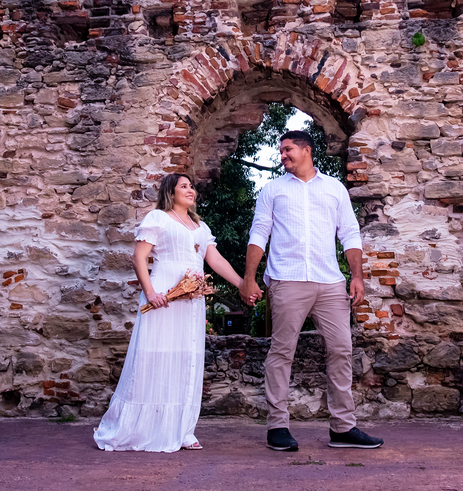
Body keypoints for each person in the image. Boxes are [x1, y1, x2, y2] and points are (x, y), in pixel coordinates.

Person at [239, 130, 384, 451]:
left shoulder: (334, 189)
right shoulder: (273, 190)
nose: (282, 156)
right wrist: (249, 277)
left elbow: (350, 233)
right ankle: (277, 426)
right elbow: (259, 232)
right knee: (282, 352)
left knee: (342, 350)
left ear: (306, 150)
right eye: (280, 151)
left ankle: (343, 428)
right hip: (286, 280)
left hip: (330, 282)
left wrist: (356, 276)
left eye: (287, 149)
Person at [94, 173, 245, 452]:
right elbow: (139, 257)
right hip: (164, 294)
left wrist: (241, 283)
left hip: (191, 300)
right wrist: (151, 292)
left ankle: (183, 429)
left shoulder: (200, 225)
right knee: (154, 357)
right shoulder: (158, 218)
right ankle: (143, 426)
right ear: (170, 192)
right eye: (183, 186)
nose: (190, 190)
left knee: (187, 359)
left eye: (191, 186)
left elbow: (214, 259)